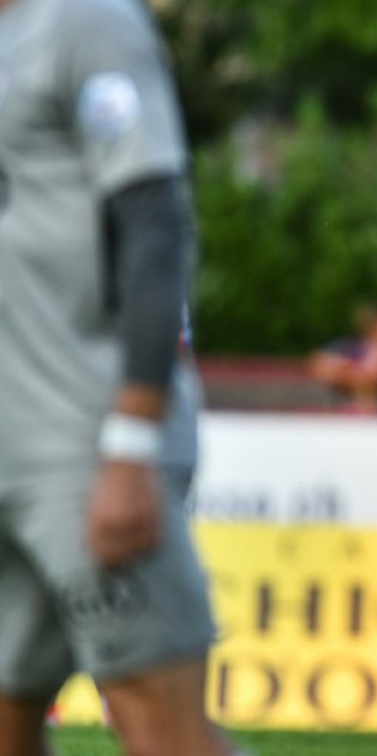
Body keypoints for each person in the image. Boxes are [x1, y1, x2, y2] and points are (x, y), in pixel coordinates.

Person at [0, 0, 239, 754]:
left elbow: (154, 224)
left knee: (162, 733)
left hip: (80, 440)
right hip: (10, 438)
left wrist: (132, 441)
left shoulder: (85, 19)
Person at [308, 304, 377, 412]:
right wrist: (352, 370)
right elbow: (318, 366)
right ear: (373, 327)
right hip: (347, 408)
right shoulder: (350, 347)